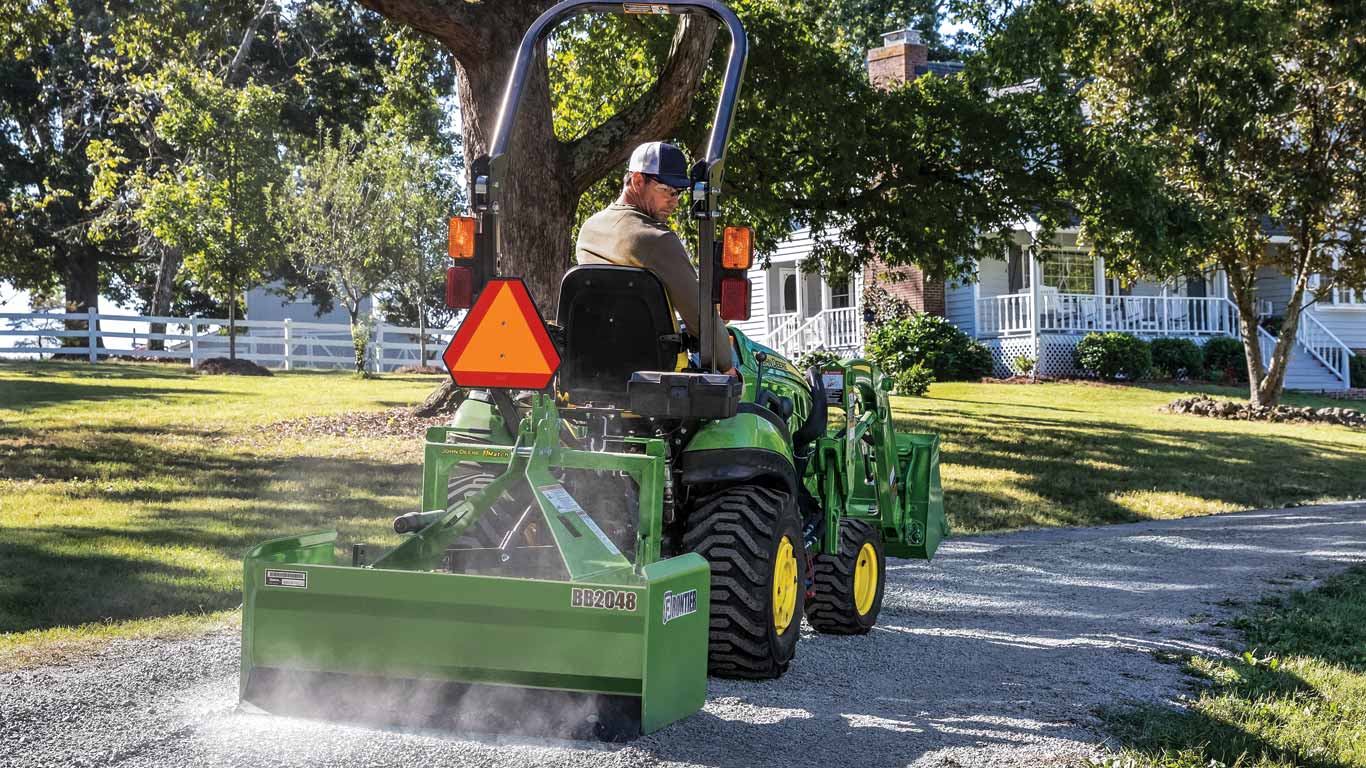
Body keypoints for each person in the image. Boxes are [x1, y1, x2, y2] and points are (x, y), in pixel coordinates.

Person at [575, 141, 735, 372]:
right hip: (657, 379)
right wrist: (727, 366)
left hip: (593, 372)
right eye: (667, 191)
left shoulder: (588, 231)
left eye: (679, 193)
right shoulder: (658, 240)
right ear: (638, 181)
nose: (675, 201)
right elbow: (703, 323)